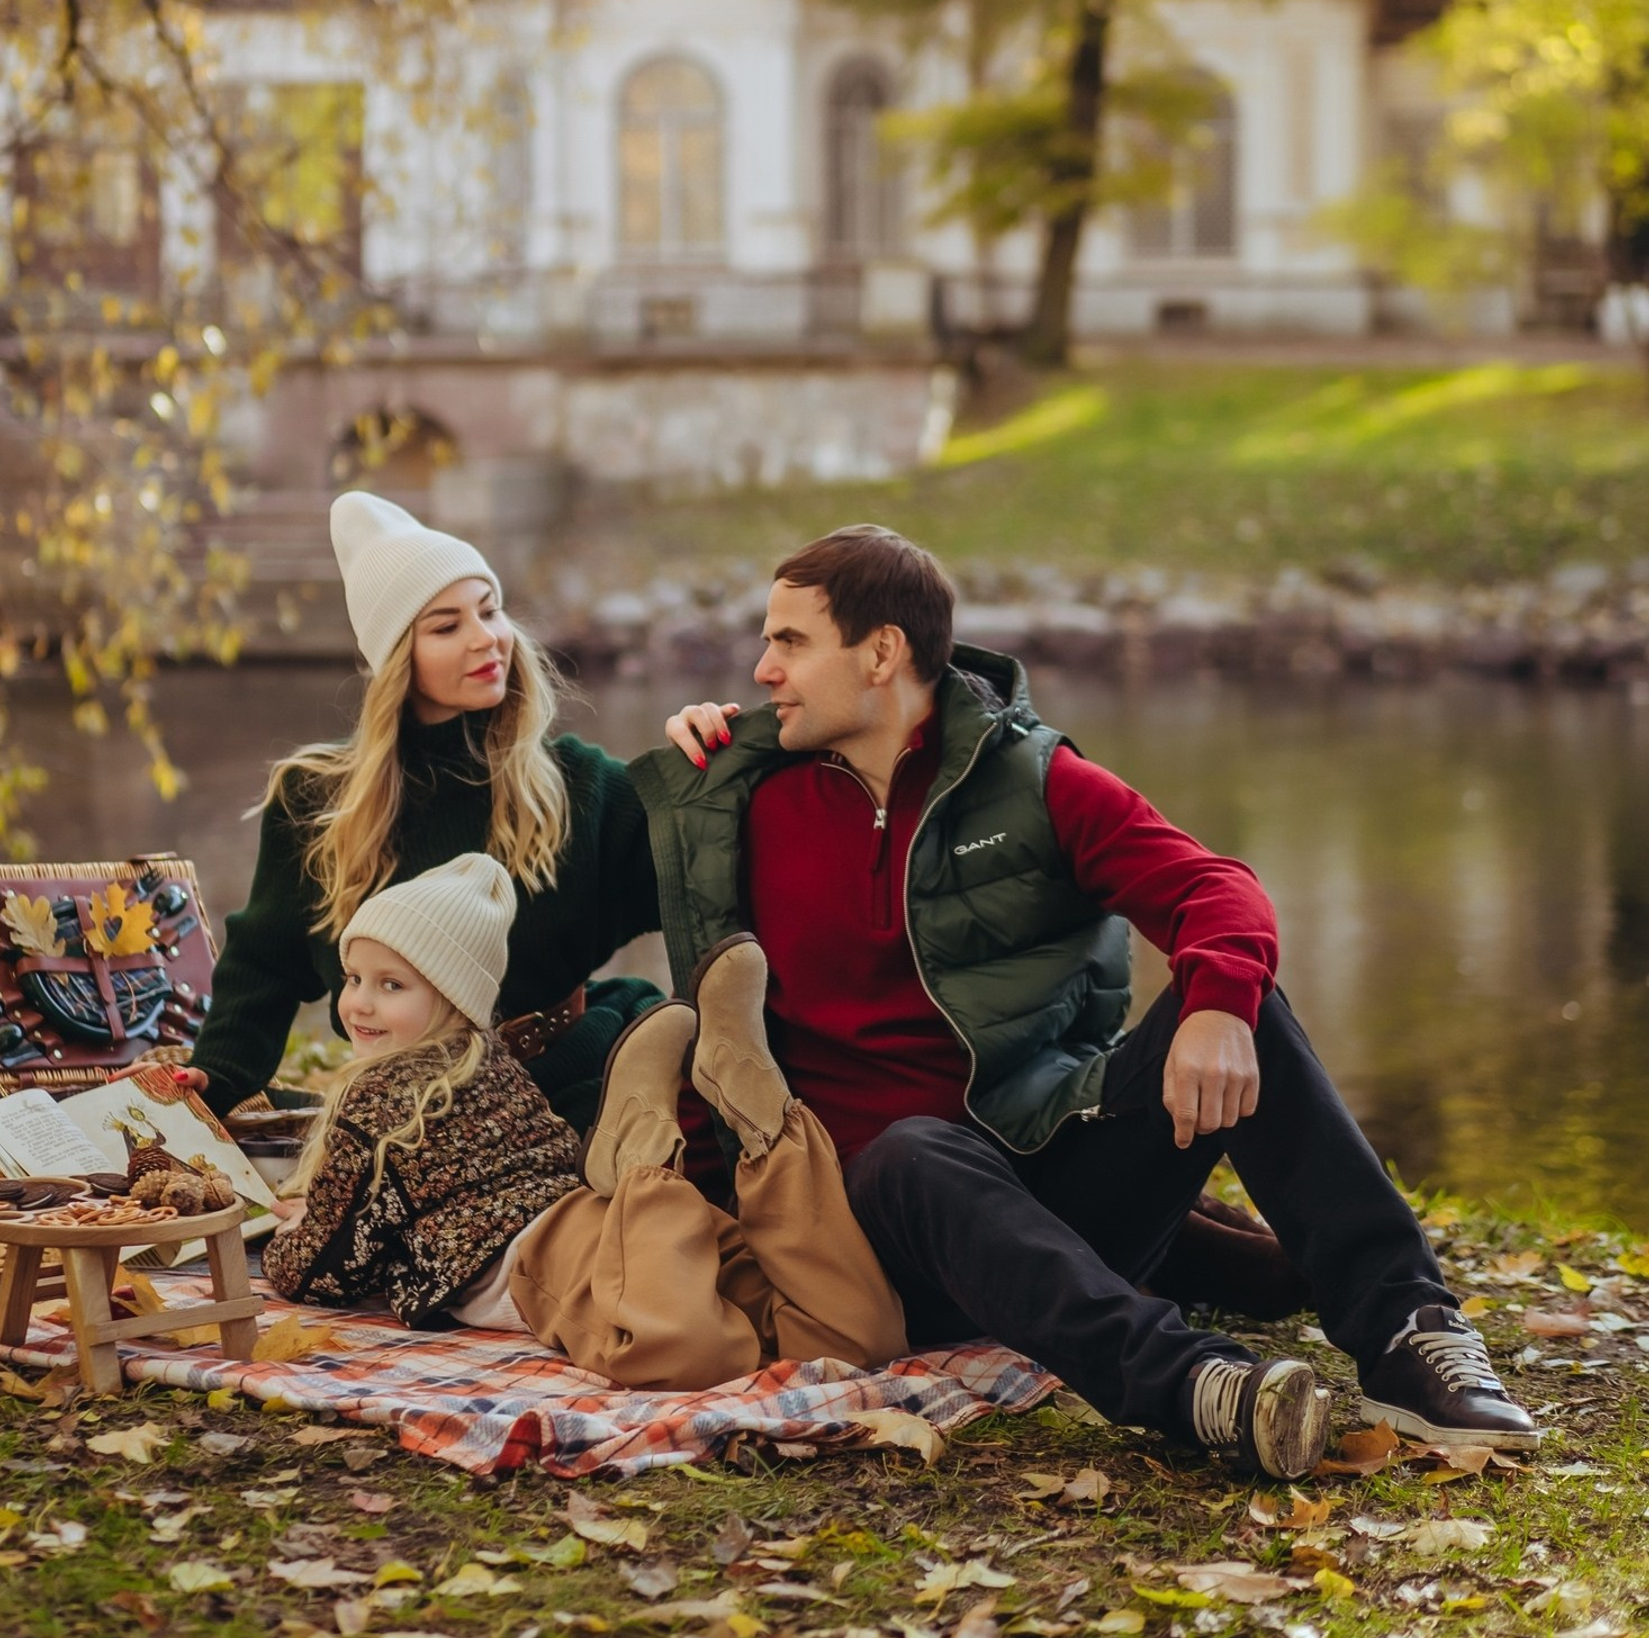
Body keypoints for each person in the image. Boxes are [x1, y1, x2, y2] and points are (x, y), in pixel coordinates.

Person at [640, 524, 1537, 1476]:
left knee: (1242, 1005)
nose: (762, 667)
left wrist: (1219, 1009)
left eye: (789, 641)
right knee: (913, 1150)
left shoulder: (1031, 781)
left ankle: (1409, 1331)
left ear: (881, 653)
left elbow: (1215, 890)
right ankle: (1196, 1386)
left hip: (1048, 1172)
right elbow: (567, 868)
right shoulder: (735, 795)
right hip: (877, 1227)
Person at [262, 852, 907, 1389]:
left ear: (451, 997)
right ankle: (770, 1132)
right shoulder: (492, 1064)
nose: (359, 1004)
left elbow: (325, 1268)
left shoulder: (379, 1097)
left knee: (686, 1357)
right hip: (621, 1230)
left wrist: (287, 1241)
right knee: (858, 1339)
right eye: (352, 978)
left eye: (391, 985)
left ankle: (647, 1157)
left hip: (559, 1264)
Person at [176, 492, 666, 1135]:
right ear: (397, 658)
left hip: (566, 1094)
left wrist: (704, 761)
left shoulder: (575, 783)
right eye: (446, 626)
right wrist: (212, 1079)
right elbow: (262, 968)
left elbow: (707, 877)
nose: (486, 638)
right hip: (397, 1112)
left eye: (489, 611)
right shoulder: (316, 800)